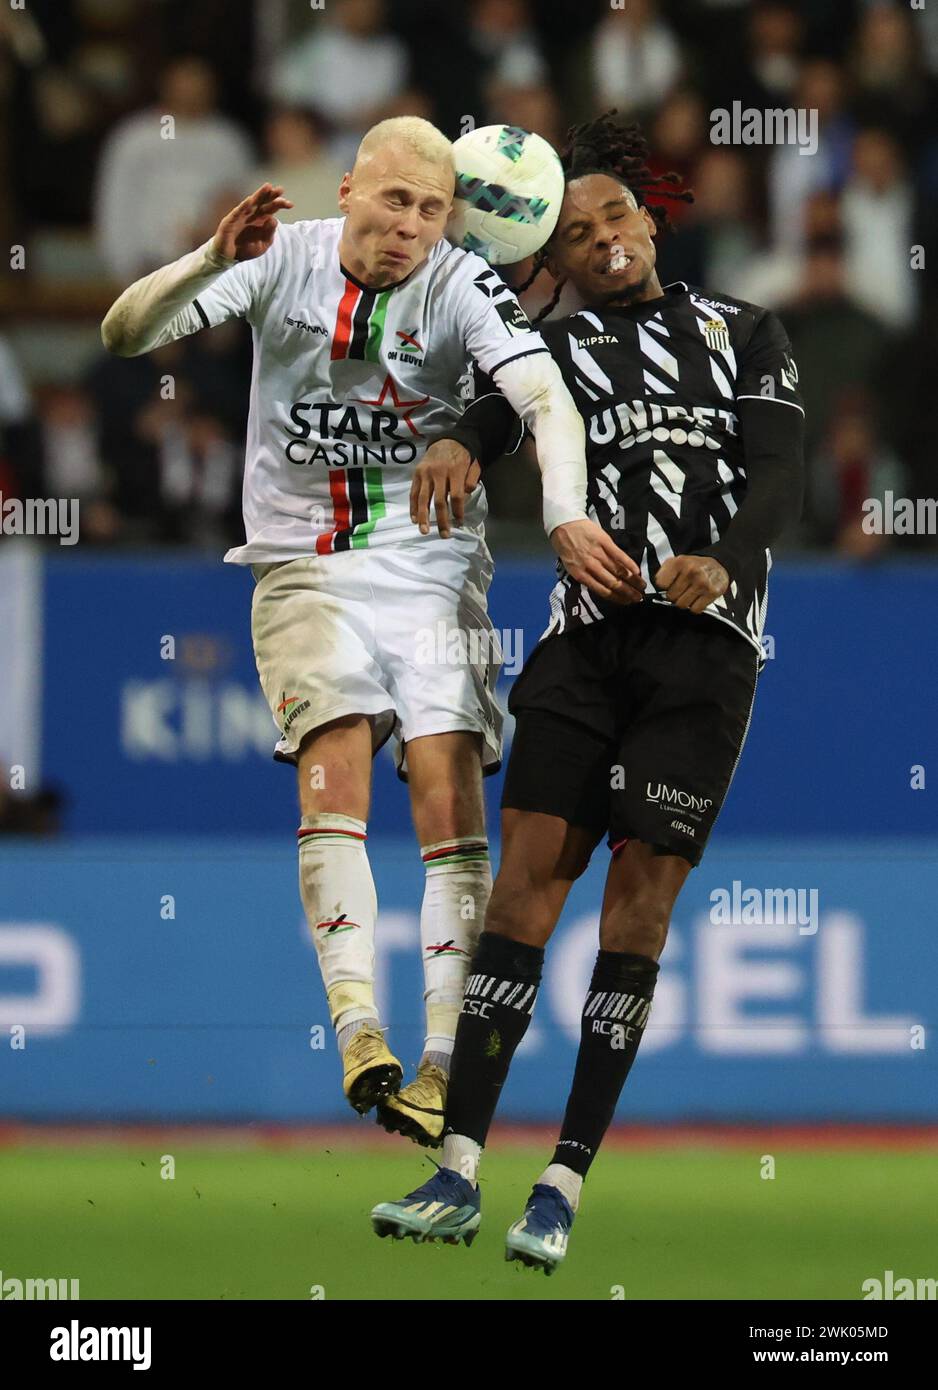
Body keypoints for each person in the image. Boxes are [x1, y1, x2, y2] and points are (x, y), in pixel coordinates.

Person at [100, 116, 633, 1143]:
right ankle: (355, 1024)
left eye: (431, 211)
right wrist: (209, 259)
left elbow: (542, 398)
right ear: (345, 189)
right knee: (332, 762)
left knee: (446, 787)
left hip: (432, 565)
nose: (409, 228)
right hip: (303, 564)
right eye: (394, 202)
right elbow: (125, 333)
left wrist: (563, 513)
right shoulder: (278, 259)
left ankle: (439, 1064)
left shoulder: (458, 284)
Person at [372, 114, 804, 1271]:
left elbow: (778, 479)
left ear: (647, 217)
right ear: (548, 260)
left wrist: (723, 559)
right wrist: (459, 440)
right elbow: (493, 411)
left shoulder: (744, 330)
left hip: (704, 653)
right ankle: (457, 1165)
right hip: (582, 645)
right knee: (521, 890)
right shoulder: (546, 351)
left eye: (614, 214)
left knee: (639, 903)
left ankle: (561, 1179)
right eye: (573, 232)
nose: (603, 238)